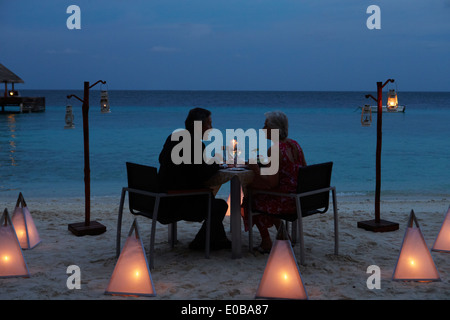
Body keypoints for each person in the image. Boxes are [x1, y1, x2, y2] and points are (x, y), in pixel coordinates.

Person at [158, 107, 231, 250]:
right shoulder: (195, 144)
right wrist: (217, 163)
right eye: (209, 124)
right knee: (220, 205)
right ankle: (200, 242)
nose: (212, 128)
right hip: (179, 204)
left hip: (161, 200)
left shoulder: (174, 137)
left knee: (211, 198)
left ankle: (219, 239)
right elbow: (203, 174)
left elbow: (162, 159)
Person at [242, 111, 306, 253]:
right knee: (266, 194)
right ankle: (285, 235)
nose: (263, 129)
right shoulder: (295, 144)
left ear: (274, 129)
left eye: (265, 126)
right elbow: (303, 170)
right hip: (299, 198)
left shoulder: (275, 150)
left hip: (287, 202)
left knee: (252, 197)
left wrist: (255, 168)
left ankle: (266, 241)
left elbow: (271, 183)